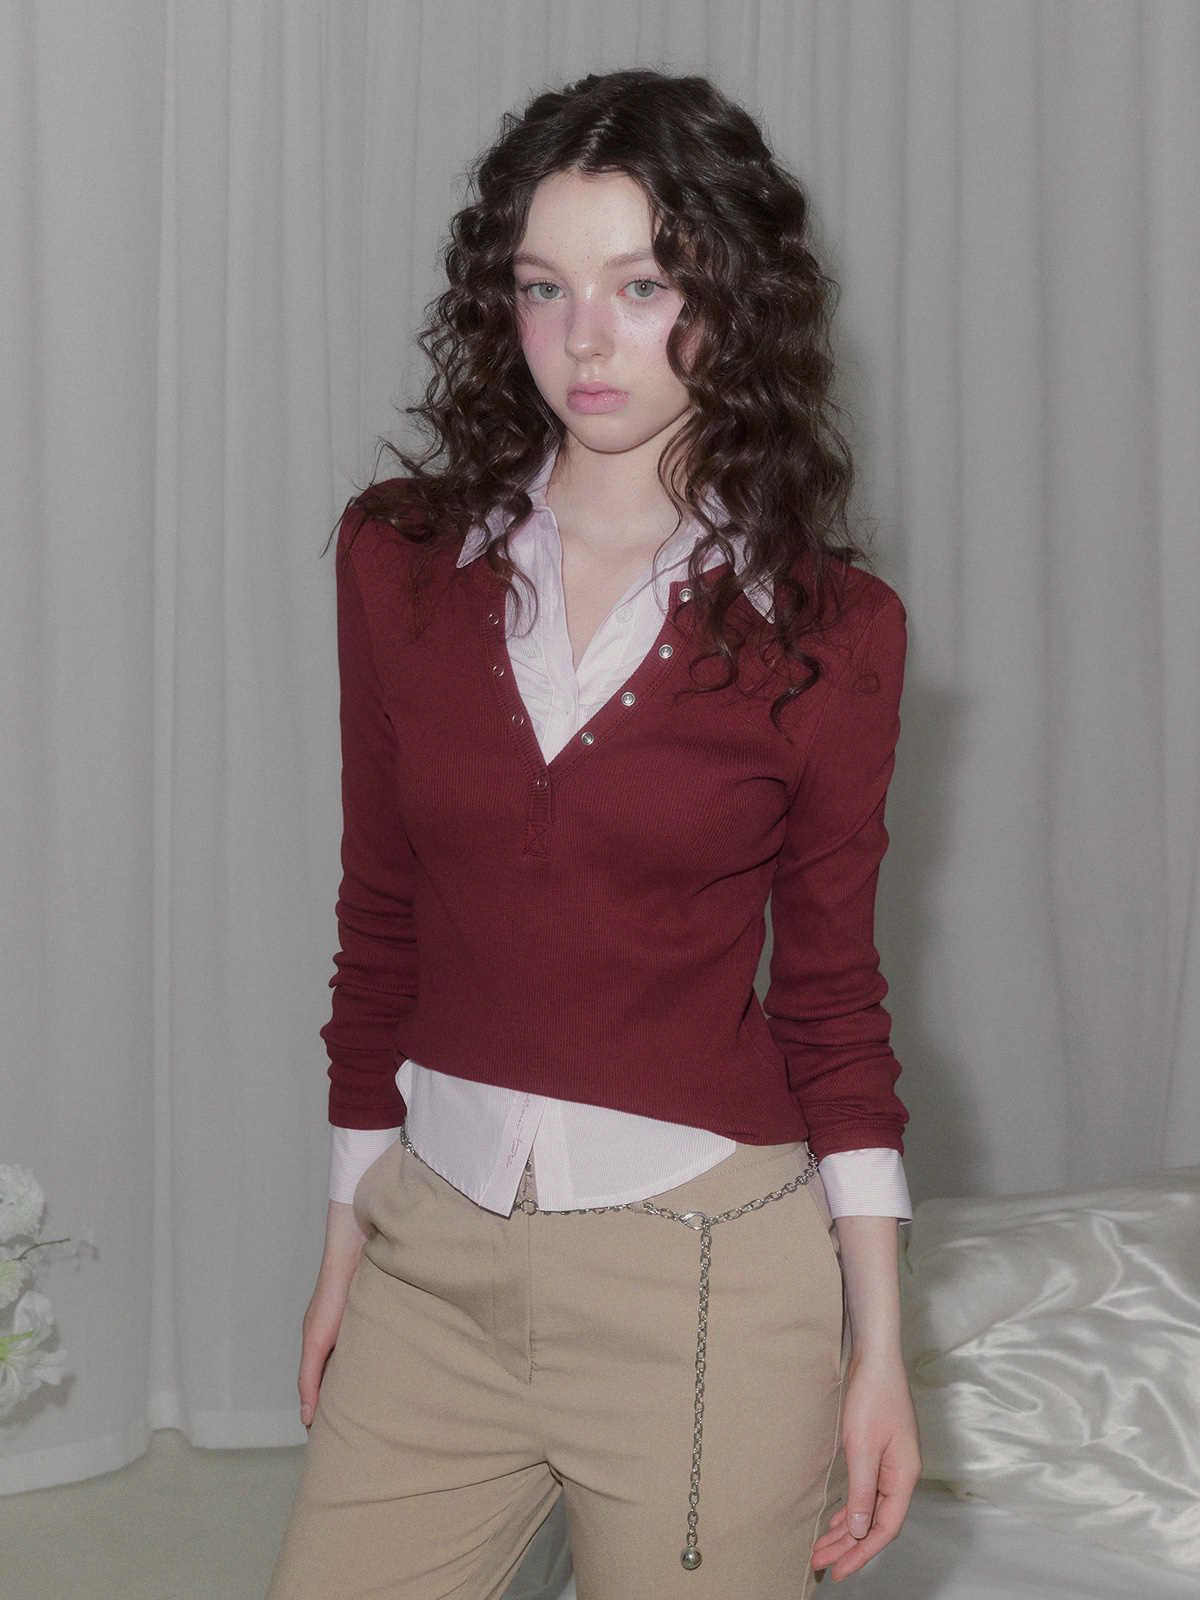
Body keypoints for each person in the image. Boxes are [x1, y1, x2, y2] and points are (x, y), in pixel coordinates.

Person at [268, 68, 921, 1600]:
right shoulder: (397, 561)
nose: (583, 339)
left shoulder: (834, 632)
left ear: (735, 299)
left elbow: (833, 1003)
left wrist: (881, 1346)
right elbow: (381, 918)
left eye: (641, 286)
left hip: (707, 1289)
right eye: (543, 286)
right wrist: (348, 1234)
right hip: (434, 1261)